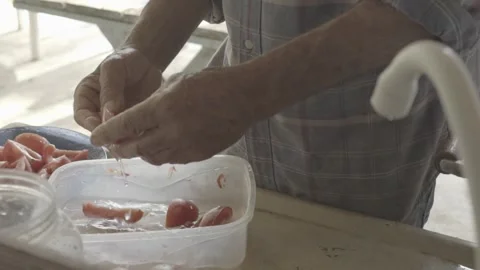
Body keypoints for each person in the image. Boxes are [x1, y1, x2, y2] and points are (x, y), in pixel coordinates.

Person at [74, 0, 479, 227]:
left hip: (364, 173)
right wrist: (143, 50)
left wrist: (247, 94)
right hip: (240, 163)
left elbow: (432, 8)